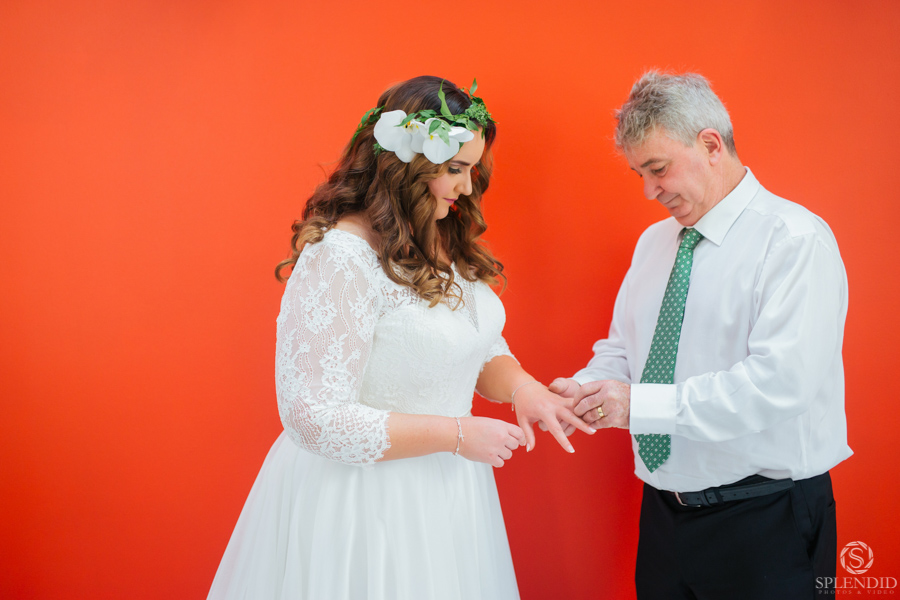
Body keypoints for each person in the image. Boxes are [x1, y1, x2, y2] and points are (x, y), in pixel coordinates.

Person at [207, 75, 592, 600]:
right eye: (455, 169)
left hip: (448, 494)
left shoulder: (438, 237)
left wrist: (524, 388)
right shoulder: (340, 259)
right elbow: (312, 417)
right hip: (364, 505)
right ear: (406, 164)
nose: (466, 187)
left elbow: (474, 344)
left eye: (472, 169)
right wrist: (457, 435)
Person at [550, 71, 851, 599]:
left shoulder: (794, 240)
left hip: (766, 519)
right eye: (640, 174)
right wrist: (588, 389)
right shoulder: (654, 243)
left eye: (658, 169)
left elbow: (779, 384)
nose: (649, 191)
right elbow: (623, 349)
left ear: (711, 145)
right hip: (664, 517)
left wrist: (637, 405)